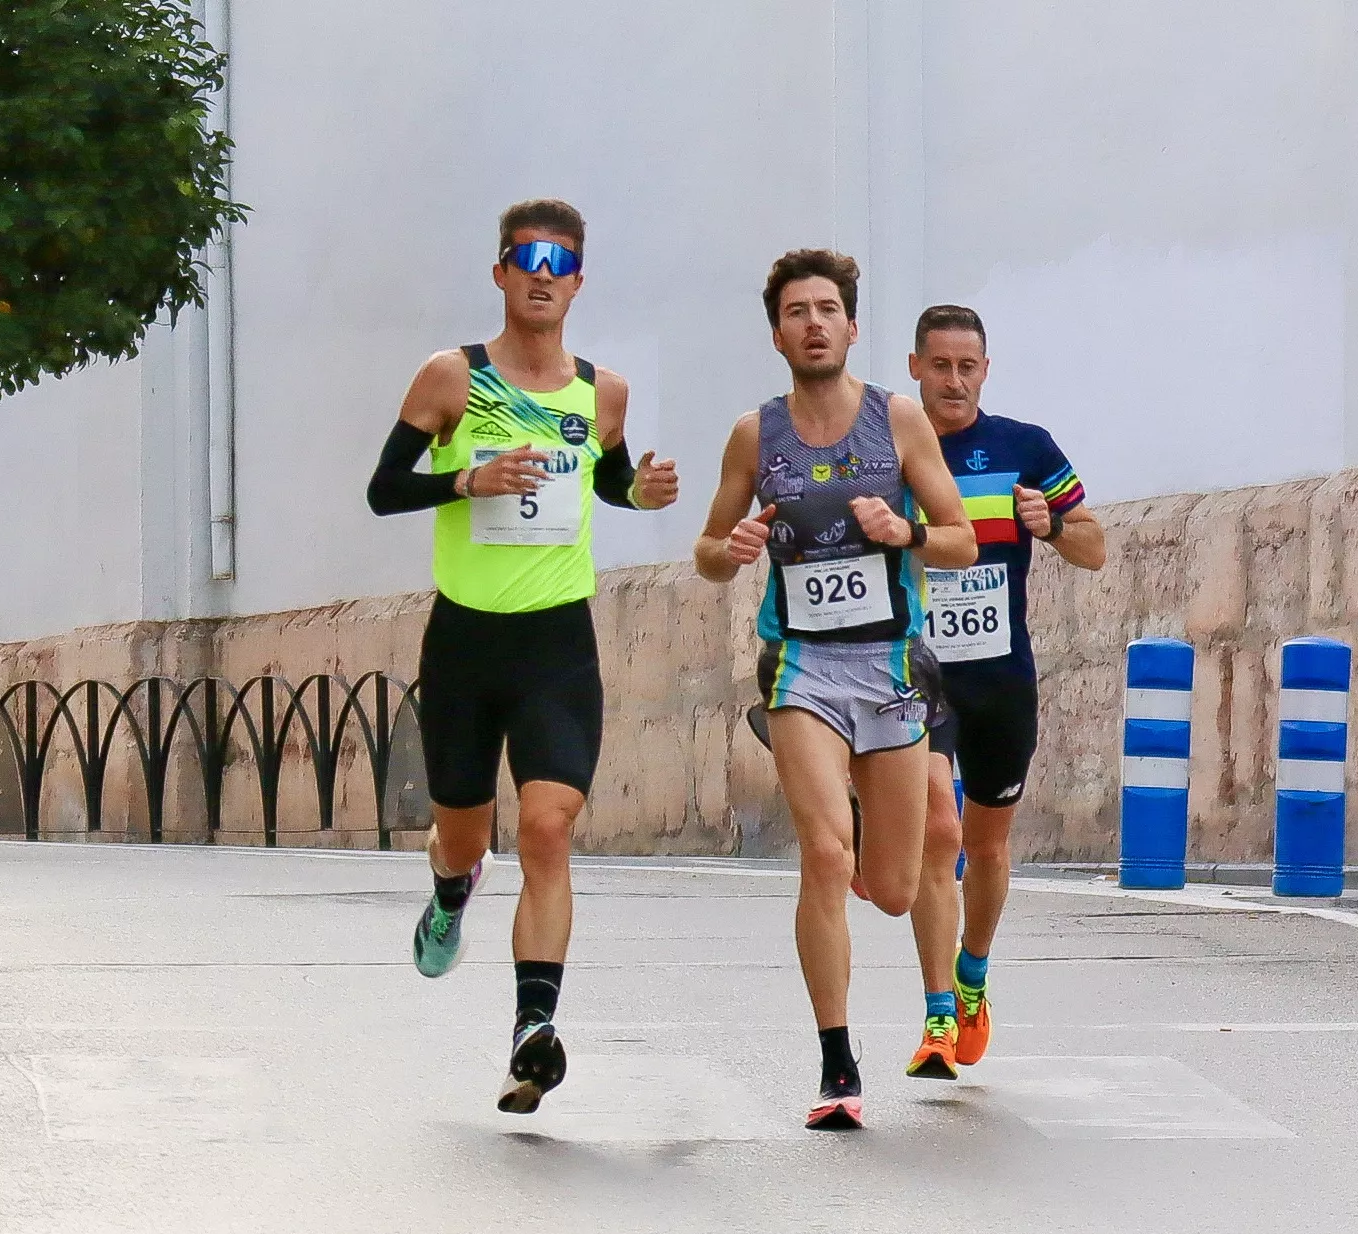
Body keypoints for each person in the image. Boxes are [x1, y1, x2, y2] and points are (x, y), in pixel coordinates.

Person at [365, 199, 679, 1114]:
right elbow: (384, 490)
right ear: (500, 272)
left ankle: (530, 1031)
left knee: (547, 827)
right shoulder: (450, 379)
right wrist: (468, 478)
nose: (543, 273)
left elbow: (610, 479)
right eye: (526, 258)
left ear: (579, 281)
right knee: (463, 833)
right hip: (465, 640)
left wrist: (643, 489)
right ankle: (449, 890)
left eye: (562, 261)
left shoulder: (601, 393)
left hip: (556, 643)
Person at [692, 250, 975, 1129]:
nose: (813, 322)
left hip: (890, 667)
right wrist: (730, 548)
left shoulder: (898, 421)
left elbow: (962, 539)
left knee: (890, 887)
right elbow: (705, 551)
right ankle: (837, 1065)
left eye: (827, 309)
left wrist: (907, 529)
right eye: (795, 311)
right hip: (800, 667)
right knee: (823, 858)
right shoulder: (755, 435)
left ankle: (855, 806)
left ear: (852, 328)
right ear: (776, 332)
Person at [901, 304, 1105, 1081]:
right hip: (920, 674)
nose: (953, 380)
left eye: (968, 366)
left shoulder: (1025, 447)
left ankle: (973, 978)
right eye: (940, 365)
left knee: (985, 843)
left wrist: (1049, 523)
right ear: (916, 366)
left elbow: (1094, 545)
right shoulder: (892, 447)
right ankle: (936, 1014)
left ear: (985, 370)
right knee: (939, 834)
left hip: (1001, 678)